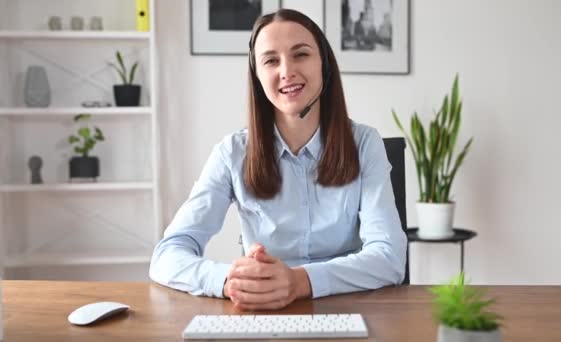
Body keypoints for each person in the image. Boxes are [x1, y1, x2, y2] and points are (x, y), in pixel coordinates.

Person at [149, 9, 407, 311]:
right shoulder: (232, 153)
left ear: (324, 64)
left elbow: (389, 257)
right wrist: (230, 280)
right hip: (261, 313)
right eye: (271, 61)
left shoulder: (365, 144)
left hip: (346, 309)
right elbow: (168, 254)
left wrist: (300, 281)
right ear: (257, 76)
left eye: (301, 54)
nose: (286, 71)